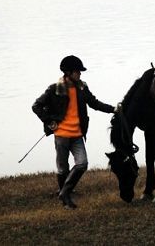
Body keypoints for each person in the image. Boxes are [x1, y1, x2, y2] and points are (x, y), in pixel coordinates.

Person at [32, 55, 117, 209]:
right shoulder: (54, 89)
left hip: (78, 135)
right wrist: (49, 121)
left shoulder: (82, 88)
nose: (80, 74)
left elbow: (94, 103)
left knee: (82, 164)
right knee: (62, 168)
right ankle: (65, 198)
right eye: (78, 71)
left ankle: (64, 192)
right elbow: (36, 106)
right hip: (61, 136)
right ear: (69, 73)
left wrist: (113, 109)